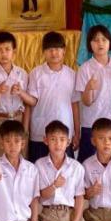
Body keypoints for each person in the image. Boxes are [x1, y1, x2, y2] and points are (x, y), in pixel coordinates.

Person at [75, 24, 111, 163]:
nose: (100, 43)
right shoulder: (85, 69)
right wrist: (88, 88)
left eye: (104, 39)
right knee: (90, 166)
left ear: (110, 43)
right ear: (90, 44)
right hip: (93, 126)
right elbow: (86, 102)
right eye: (95, 40)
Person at [35, 120, 88, 221]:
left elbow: (79, 197)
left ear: (68, 142)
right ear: (45, 140)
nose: (58, 144)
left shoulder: (76, 167)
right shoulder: (39, 165)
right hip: (49, 213)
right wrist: (54, 186)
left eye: (62, 139)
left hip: (70, 213)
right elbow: (41, 196)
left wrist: (76, 220)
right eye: (53, 139)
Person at [22, 31, 79, 162]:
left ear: (64, 50)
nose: (54, 53)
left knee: (65, 170)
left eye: (57, 49)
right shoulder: (36, 74)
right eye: (49, 49)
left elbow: (74, 105)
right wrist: (25, 132)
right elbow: (29, 104)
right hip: (40, 133)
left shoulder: (72, 74)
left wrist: (77, 133)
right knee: (38, 169)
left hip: (64, 134)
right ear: (43, 52)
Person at [0, 31, 28, 158]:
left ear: (14, 51)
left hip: (17, 118)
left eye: (7, 49)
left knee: (20, 157)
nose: (3, 54)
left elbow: (28, 103)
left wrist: (25, 127)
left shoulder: (22, 73)